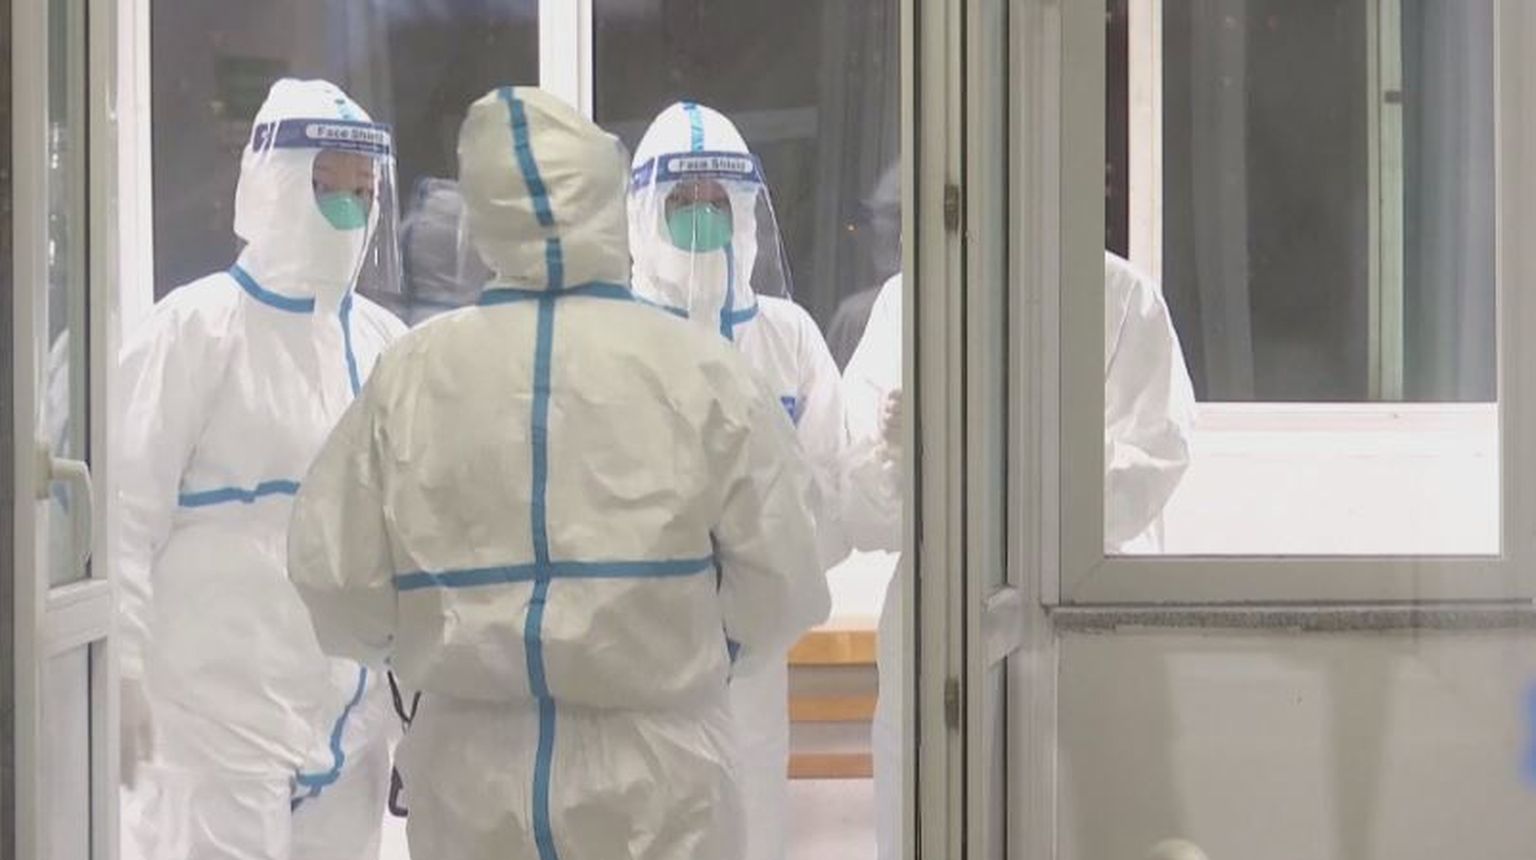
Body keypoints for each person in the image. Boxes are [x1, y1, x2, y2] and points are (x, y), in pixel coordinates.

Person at [287, 86, 830, 860]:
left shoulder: (412, 372)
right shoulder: (701, 369)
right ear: (611, 204)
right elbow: (785, 581)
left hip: (470, 775)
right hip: (659, 774)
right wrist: (704, 652)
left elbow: (335, 576)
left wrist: (423, 651)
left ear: (484, 215)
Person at [113, 78, 406, 860]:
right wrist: (121, 664)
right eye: (327, 186)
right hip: (213, 721)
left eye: (364, 191)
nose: (350, 208)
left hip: (349, 725)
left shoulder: (384, 343)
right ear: (275, 186)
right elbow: (123, 515)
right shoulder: (196, 329)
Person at [845, 253, 1197, 860]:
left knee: (1077, 827)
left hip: (1076, 614)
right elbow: (859, 507)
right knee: (929, 823)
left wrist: (1002, 442)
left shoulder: (1120, 297)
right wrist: (894, 455)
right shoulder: (909, 298)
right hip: (942, 614)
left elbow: (1143, 476)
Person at [627, 101, 849, 860]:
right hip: (636, 662)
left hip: (754, 665)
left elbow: (829, 500)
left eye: (717, 201)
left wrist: (751, 588)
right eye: (682, 200)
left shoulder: (789, 337)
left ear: (746, 211)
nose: (702, 217)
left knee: (751, 830)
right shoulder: (609, 336)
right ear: (643, 212)